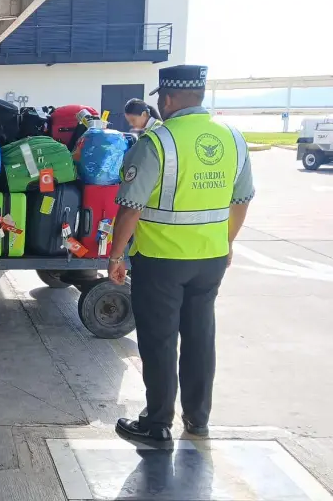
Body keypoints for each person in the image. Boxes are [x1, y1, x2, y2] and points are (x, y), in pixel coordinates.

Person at [107, 65, 255, 442]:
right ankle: (198, 418)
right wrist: (228, 243)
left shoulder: (157, 142)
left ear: (169, 99)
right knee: (200, 335)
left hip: (161, 261)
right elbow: (241, 201)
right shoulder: (232, 138)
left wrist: (116, 256)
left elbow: (130, 207)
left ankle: (157, 424)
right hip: (211, 259)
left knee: (159, 341)